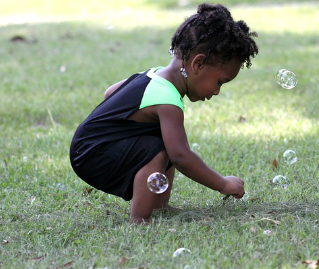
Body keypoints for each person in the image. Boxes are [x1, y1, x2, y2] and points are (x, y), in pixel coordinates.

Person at [69, 3, 259, 224]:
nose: (217, 91)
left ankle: (160, 205)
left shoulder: (154, 75)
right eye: (219, 82)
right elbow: (181, 156)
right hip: (91, 155)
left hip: (87, 145)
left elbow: (110, 92)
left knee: (161, 142)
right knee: (158, 151)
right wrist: (223, 184)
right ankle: (140, 218)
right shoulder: (167, 101)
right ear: (198, 63)